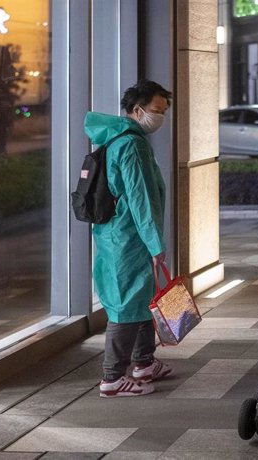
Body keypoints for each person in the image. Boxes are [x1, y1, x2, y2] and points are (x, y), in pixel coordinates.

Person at [84, 80, 172, 398]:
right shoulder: (132, 144)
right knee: (125, 305)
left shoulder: (119, 138)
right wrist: (155, 244)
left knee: (140, 298)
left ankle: (144, 363)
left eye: (163, 111)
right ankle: (112, 378)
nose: (160, 117)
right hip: (129, 237)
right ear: (137, 110)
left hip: (117, 235)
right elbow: (140, 198)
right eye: (156, 110)